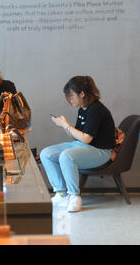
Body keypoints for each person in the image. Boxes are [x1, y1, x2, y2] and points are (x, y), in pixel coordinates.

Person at [40, 76, 115, 212]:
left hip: (101, 151)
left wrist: (67, 125)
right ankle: (62, 194)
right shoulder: (83, 108)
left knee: (66, 156)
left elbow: (86, 139)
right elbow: (78, 135)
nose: (70, 100)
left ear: (82, 93)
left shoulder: (96, 110)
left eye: (71, 95)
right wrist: (64, 125)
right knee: (46, 154)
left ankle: (74, 196)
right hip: (83, 146)